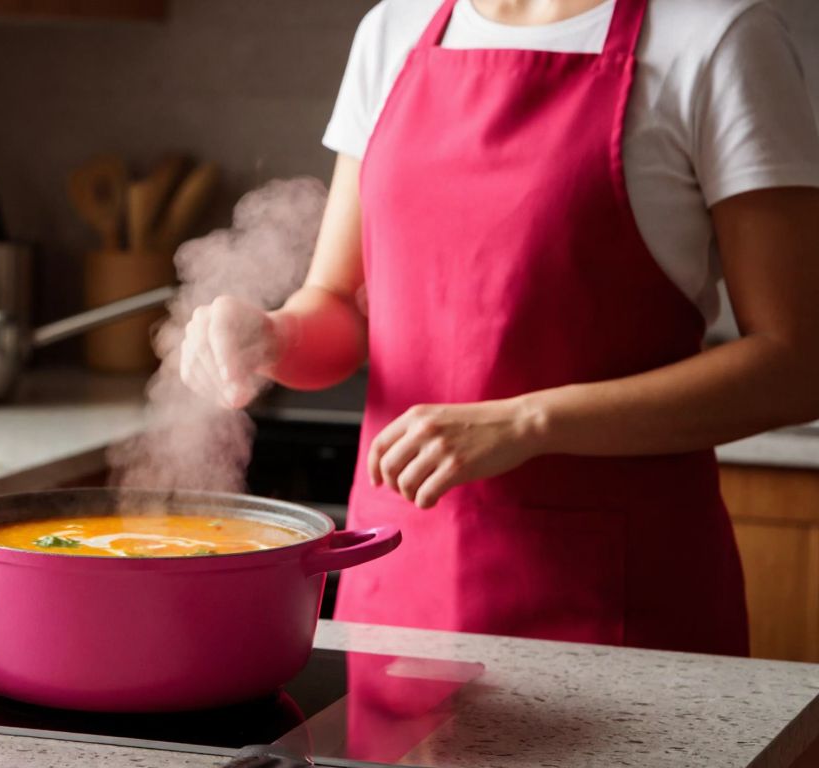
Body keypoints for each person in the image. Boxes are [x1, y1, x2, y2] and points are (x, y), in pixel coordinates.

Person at [180, 0, 819, 654]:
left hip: (616, 607)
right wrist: (271, 337)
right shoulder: (393, 29)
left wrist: (528, 422)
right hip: (399, 591)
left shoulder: (718, 38)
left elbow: (797, 362)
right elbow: (339, 305)